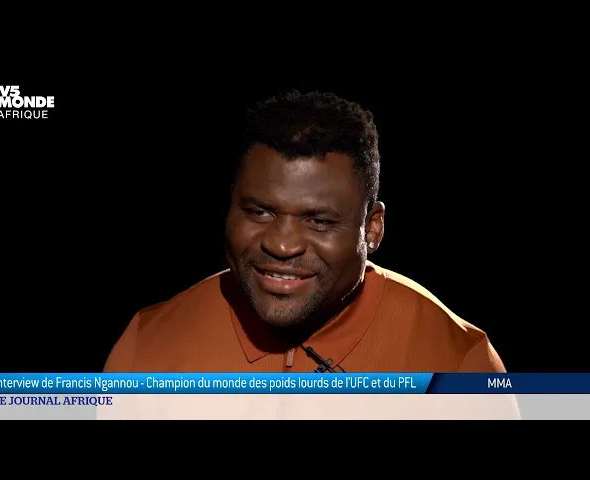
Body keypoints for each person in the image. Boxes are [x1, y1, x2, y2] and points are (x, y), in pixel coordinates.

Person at [103, 91, 508, 375]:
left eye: (319, 221)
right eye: (259, 212)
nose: (281, 245)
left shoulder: (457, 362)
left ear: (372, 228)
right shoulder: (147, 345)